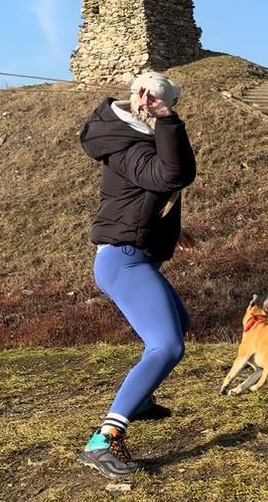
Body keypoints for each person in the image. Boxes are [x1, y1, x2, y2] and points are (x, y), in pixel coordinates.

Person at [78, 70, 197, 479]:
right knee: (167, 346)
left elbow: (157, 190)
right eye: (164, 106)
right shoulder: (126, 146)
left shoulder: (127, 140)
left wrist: (172, 234)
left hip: (133, 255)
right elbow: (171, 175)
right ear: (147, 104)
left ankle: (140, 398)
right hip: (123, 260)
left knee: (180, 323)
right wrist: (168, 121)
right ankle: (104, 438)